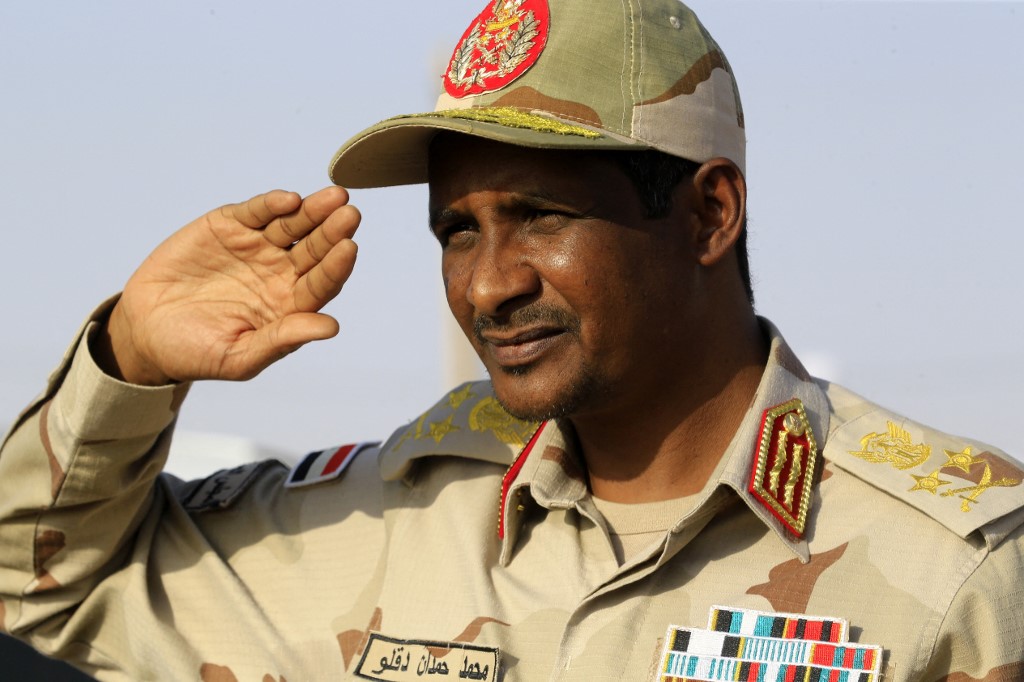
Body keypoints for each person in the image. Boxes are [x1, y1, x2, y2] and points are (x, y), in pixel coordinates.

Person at [1, 0, 1021, 680]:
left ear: (709, 214)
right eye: (457, 230)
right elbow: (36, 594)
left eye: (541, 214)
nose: (488, 283)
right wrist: (126, 361)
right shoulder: (385, 526)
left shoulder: (959, 564)